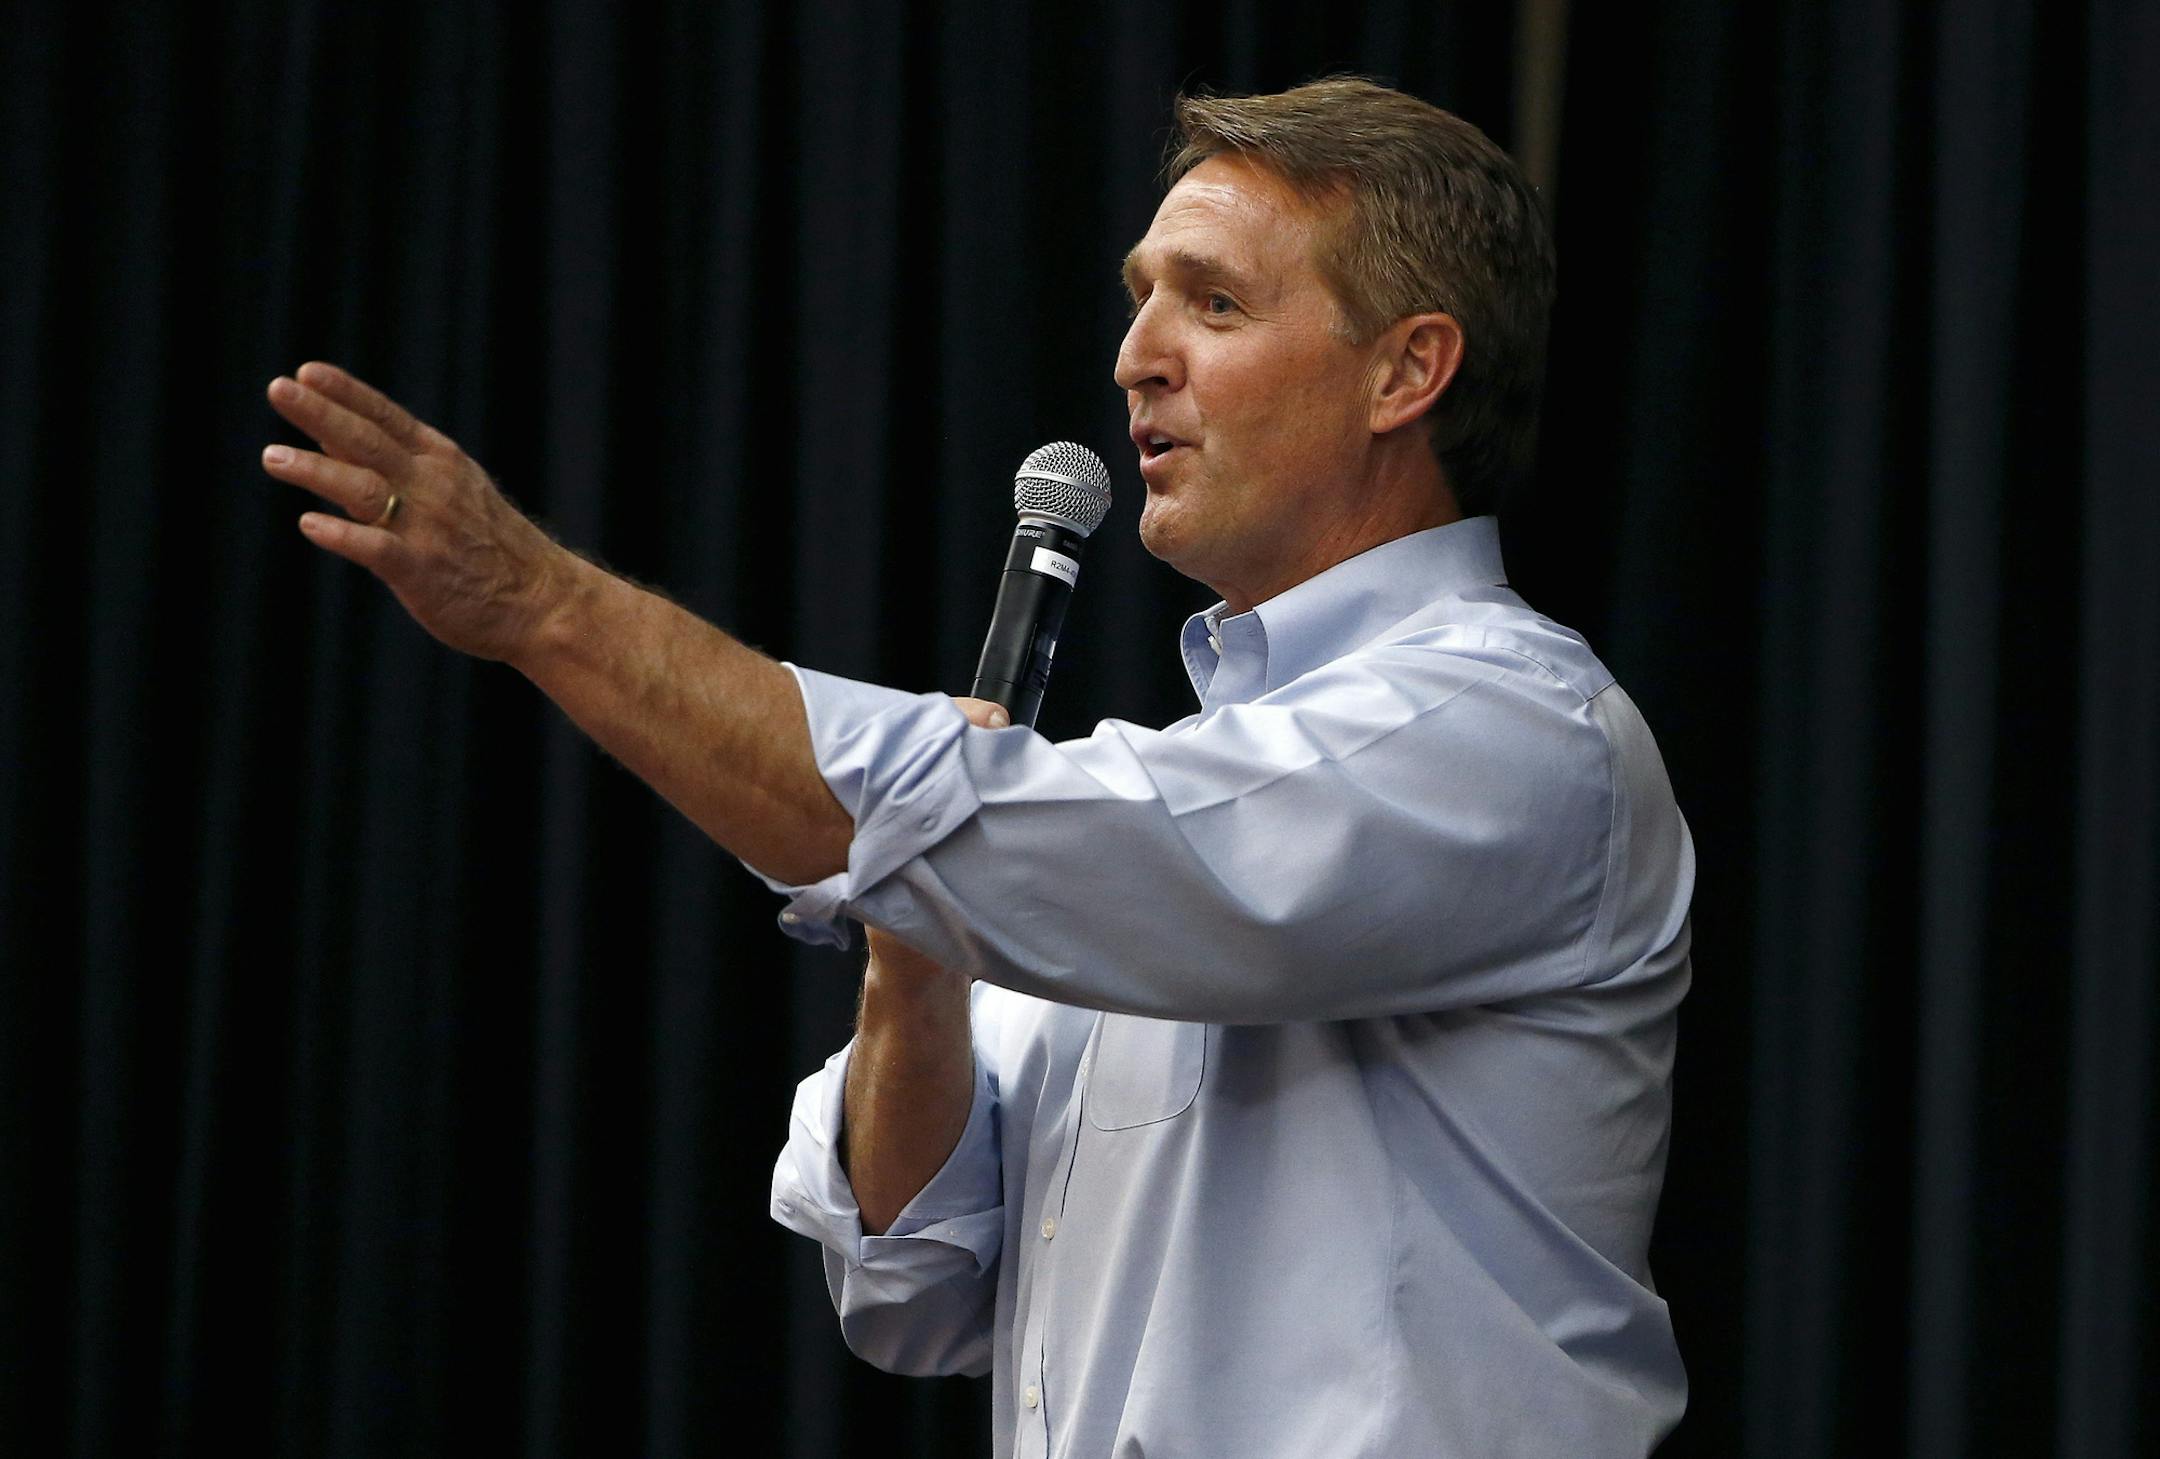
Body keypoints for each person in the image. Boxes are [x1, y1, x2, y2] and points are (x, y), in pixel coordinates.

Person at [263, 77, 1689, 1459]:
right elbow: (911, 1278)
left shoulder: (1506, 734)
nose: (1137, 351)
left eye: (1215, 301)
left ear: (1408, 371)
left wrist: (544, 603)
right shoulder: (1195, 789)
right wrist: (919, 947)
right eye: (1141, 294)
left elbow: (984, 835)